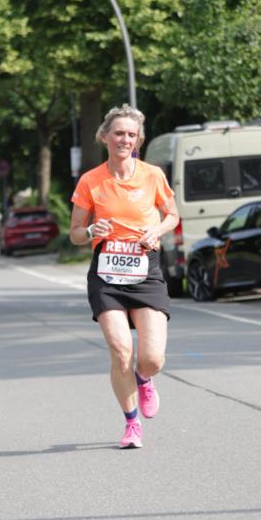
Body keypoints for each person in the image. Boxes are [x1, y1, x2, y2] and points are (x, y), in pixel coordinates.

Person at [70, 104, 180, 449]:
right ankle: (132, 424)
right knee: (121, 352)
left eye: (132, 134)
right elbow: (74, 232)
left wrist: (156, 230)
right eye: (119, 133)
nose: (125, 139)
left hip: (145, 269)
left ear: (138, 140)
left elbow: (172, 215)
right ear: (104, 136)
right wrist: (91, 231)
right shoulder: (90, 181)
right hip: (107, 274)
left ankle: (144, 378)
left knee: (152, 358)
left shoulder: (152, 175)